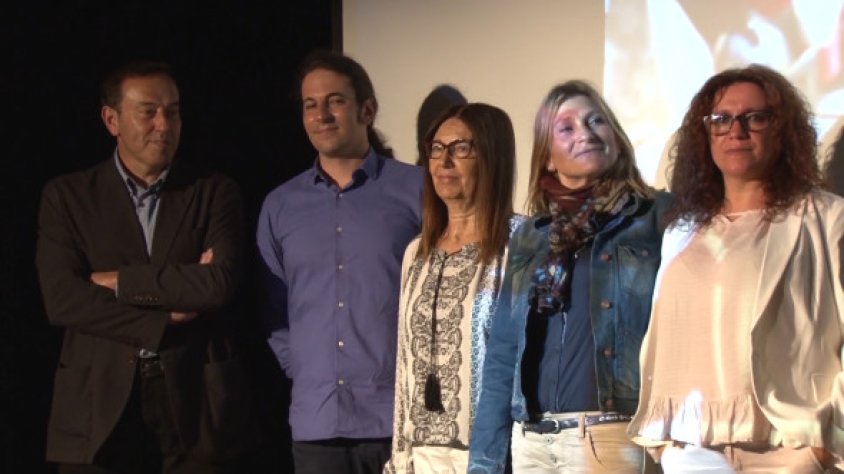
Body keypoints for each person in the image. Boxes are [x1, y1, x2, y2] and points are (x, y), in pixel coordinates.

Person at [35, 61, 256, 473]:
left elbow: (216, 283)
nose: (164, 125)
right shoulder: (68, 196)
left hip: (195, 400)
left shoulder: (212, 191)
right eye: (149, 112)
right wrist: (163, 316)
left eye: (173, 112)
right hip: (98, 402)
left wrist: (120, 282)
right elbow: (63, 300)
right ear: (112, 120)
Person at [628, 64, 844, 472]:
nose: (736, 131)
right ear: (705, 134)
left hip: (787, 450)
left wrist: (824, 443)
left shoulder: (828, 218)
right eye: (721, 119)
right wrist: (666, 447)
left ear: (782, 130)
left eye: (755, 118)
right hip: (692, 450)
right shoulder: (681, 231)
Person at [468, 80, 672, 473]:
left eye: (596, 121)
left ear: (616, 138)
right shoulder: (532, 235)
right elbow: (503, 353)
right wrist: (484, 463)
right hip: (532, 441)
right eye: (567, 128)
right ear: (547, 158)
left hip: (610, 435)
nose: (586, 133)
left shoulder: (656, 217)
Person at [256, 50, 423, 474]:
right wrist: (305, 369)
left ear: (368, 109)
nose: (322, 115)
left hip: (399, 420)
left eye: (335, 101)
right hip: (317, 423)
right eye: (310, 105)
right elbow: (275, 311)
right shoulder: (280, 206)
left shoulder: (416, 190)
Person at [384, 103, 527, 473]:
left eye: (460, 148)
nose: (443, 162)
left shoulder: (520, 243)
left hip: (490, 456)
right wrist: (400, 458)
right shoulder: (417, 252)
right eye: (436, 148)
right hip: (423, 456)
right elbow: (405, 364)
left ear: (491, 158)